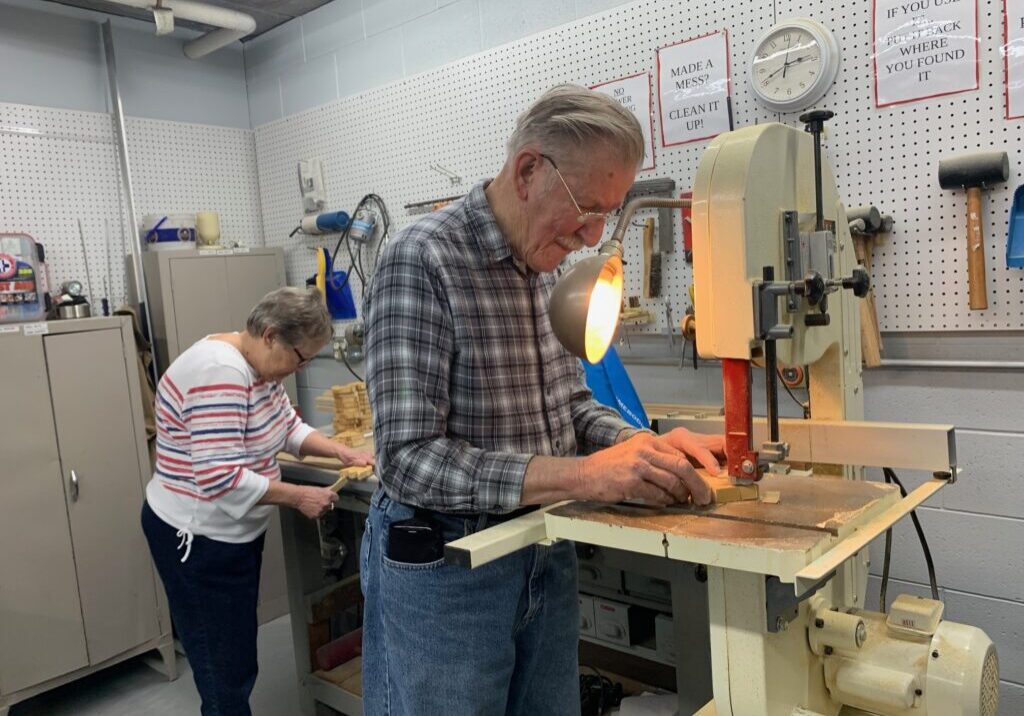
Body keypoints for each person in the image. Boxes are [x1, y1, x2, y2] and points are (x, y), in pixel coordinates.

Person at [361, 85, 725, 715]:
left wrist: (640, 445)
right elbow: (407, 460)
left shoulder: (549, 265)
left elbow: (572, 407)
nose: (590, 237)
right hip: (447, 570)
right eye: (586, 208)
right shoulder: (421, 259)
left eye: (606, 217)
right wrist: (586, 475)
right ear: (528, 170)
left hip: (540, 548)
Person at [141, 286, 373, 716]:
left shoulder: (260, 369)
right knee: (223, 671)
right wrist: (299, 495)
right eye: (300, 358)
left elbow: (286, 427)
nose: (298, 369)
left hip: (232, 534)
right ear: (270, 335)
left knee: (235, 653)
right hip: (196, 537)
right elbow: (219, 477)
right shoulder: (220, 373)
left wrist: (340, 451)